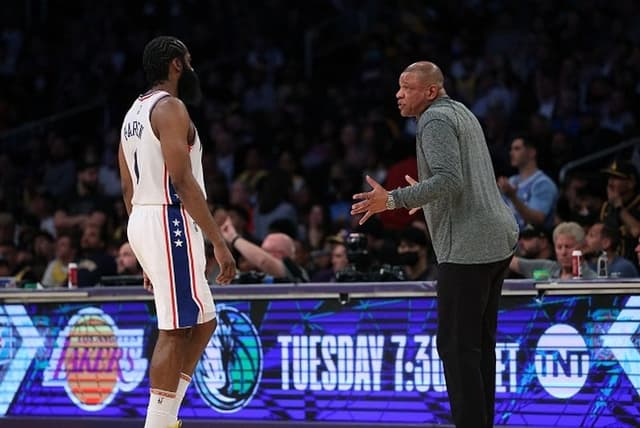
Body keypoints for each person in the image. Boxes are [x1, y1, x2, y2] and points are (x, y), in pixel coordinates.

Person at [351, 61, 518, 428]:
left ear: (430, 91)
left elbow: (450, 180)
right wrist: (420, 192)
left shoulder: (434, 120)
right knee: (477, 347)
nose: (398, 94)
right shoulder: (461, 112)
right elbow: (458, 181)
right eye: (399, 86)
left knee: (458, 350)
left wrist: (393, 199)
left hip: (469, 245)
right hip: (497, 237)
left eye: (407, 87)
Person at [117, 36, 236, 428]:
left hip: (145, 218)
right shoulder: (170, 107)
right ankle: (158, 423)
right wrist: (219, 242)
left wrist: (147, 252)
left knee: (204, 320)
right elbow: (183, 181)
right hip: (169, 217)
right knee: (174, 328)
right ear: (175, 66)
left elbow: (127, 187)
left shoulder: (133, 112)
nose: (191, 66)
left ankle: (167, 416)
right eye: (189, 60)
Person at [497, 136, 558, 231]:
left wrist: (513, 197)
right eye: (511, 149)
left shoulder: (543, 183)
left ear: (531, 152)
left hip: (534, 239)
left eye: (517, 149)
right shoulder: (511, 181)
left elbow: (537, 220)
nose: (511, 153)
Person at [510, 221, 597, 280]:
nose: (563, 252)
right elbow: (512, 262)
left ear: (582, 248)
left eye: (568, 247)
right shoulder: (548, 267)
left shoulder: (591, 278)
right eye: (559, 247)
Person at [599, 160, 640, 265]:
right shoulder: (607, 207)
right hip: (611, 267)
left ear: (631, 183)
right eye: (609, 178)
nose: (610, 182)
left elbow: (637, 231)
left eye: (616, 178)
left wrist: (619, 208)